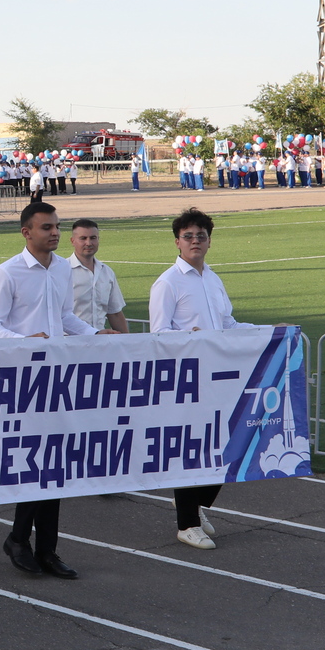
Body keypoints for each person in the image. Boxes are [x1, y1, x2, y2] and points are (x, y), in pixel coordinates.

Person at [0, 202, 98, 580]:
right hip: (23, 381)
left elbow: (64, 316)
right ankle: (19, 539)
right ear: (26, 232)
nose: (55, 233)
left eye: (57, 226)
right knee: (34, 464)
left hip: (57, 378)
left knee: (55, 466)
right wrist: (24, 342)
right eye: (46, 227)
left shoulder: (62, 268)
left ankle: (46, 549)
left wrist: (97, 334)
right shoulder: (8, 272)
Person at [148, 208, 240, 550]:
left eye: (201, 236)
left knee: (226, 444)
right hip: (186, 379)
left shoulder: (213, 279)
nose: (195, 241)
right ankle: (187, 523)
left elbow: (229, 325)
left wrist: (266, 331)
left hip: (219, 376)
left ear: (209, 241)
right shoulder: (168, 282)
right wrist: (191, 338)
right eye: (188, 236)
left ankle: (195, 503)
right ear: (177, 242)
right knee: (191, 450)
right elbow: (159, 334)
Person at [64, 219, 128, 334]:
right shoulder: (62, 271)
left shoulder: (107, 272)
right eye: (83, 238)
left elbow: (115, 313)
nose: (88, 243)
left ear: (98, 239)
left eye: (93, 238)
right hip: (70, 342)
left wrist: (128, 341)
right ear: (72, 241)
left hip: (100, 341)